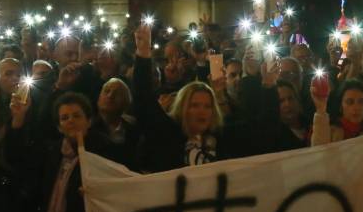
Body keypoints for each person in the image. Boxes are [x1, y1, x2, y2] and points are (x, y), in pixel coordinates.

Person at [131, 23, 251, 171]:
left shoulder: (221, 139)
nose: (202, 111)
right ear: (182, 107)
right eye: (194, 105)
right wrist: (143, 54)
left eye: (207, 106)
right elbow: (143, 100)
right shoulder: (166, 134)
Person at [96, 78, 141, 167]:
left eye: (117, 93)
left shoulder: (134, 130)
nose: (110, 96)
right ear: (99, 97)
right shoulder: (88, 128)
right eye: (107, 91)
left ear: (126, 102)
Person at [311, 78, 363, 145]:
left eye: (361, 102)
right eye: (349, 102)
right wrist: (320, 109)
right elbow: (319, 149)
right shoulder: (330, 130)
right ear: (341, 105)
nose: (356, 107)